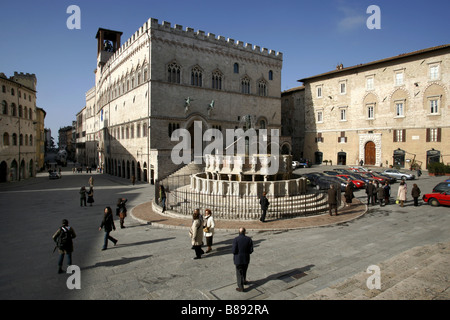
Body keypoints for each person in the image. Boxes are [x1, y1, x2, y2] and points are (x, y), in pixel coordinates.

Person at [232, 227, 254, 292]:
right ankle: (244, 280)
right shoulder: (249, 239)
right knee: (244, 270)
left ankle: (241, 287)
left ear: (239, 232)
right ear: (245, 232)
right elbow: (251, 250)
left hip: (238, 259)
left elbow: (233, 251)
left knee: (239, 273)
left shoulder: (236, 239)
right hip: (246, 258)